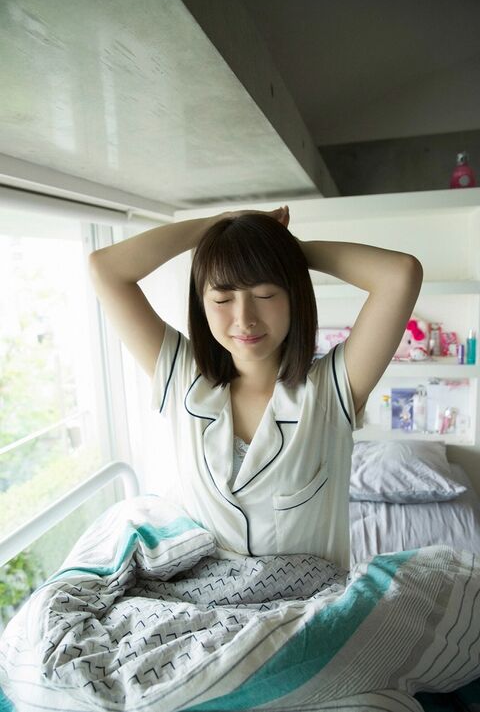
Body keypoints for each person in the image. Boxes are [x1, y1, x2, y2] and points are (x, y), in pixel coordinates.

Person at [89, 205, 423, 569]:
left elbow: (400, 274)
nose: (244, 319)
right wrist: (217, 228)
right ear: (202, 305)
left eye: (265, 295)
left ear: (294, 296)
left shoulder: (332, 390)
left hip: (307, 601)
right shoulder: (182, 377)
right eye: (222, 299)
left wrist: (284, 250)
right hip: (202, 598)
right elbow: (105, 269)